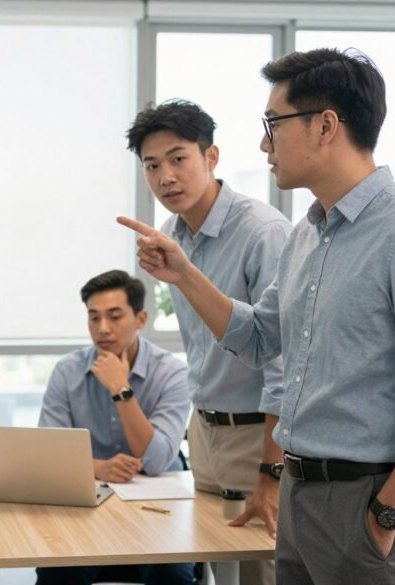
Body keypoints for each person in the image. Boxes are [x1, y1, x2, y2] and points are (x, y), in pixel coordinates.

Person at [119, 48, 395, 585]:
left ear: (326, 126)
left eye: (273, 124)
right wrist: (184, 275)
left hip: (368, 496)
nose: (265, 144)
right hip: (299, 486)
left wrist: (386, 514)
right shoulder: (307, 234)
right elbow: (260, 338)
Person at [125, 99, 291, 585]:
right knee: (218, 569)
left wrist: (271, 469)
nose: (165, 177)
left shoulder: (262, 232)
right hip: (205, 431)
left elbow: (281, 360)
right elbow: (202, 347)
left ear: (211, 157)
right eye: (152, 166)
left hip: (256, 432)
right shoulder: (173, 236)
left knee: (261, 572)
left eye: (179, 159)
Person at [36, 269, 193, 585]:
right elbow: (47, 456)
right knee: (57, 573)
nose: (102, 329)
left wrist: (121, 389)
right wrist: (99, 468)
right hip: (86, 504)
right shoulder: (67, 371)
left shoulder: (173, 373)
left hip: (157, 506)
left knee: (172, 575)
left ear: (140, 318)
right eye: (93, 318)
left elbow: (158, 459)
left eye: (114, 316)